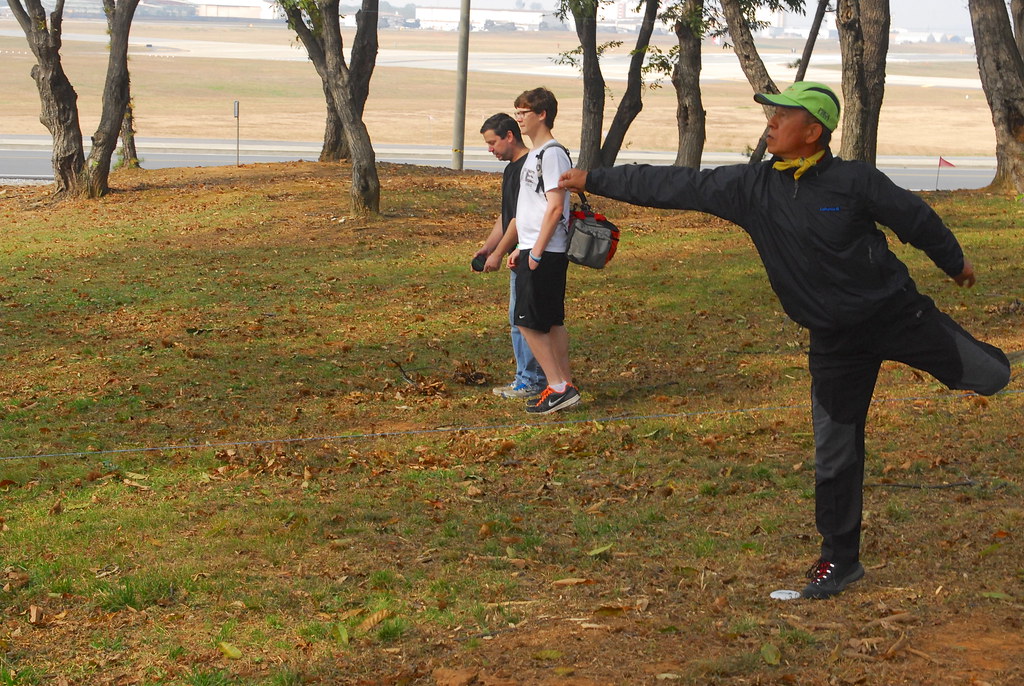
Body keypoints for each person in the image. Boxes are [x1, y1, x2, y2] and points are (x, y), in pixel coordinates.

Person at [559, 81, 1011, 598]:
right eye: (770, 116)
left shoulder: (854, 180)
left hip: (898, 316)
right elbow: (677, 185)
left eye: (782, 117)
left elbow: (916, 219)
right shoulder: (753, 189)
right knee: (835, 454)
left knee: (990, 377)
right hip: (835, 343)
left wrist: (955, 264)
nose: (770, 124)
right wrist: (596, 179)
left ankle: (1002, 365)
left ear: (812, 131)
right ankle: (839, 562)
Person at [509, 87, 579, 414]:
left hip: (546, 250)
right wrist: (521, 247)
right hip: (534, 246)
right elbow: (531, 207)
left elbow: (555, 207)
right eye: (517, 112)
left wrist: (535, 253)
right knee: (550, 321)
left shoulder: (551, 153)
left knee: (526, 320)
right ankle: (565, 384)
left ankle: (557, 386)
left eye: (524, 112)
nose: (519, 117)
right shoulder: (535, 155)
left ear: (542, 115)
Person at [475, 113, 547, 399]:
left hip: (529, 252)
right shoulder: (510, 170)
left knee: (524, 320)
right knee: (521, 318)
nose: (490, 149)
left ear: (509, 136)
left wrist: (500, 253)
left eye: (493, 142)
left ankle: (531, 380)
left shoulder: (528, 167)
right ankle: (533, 377)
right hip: (519, 250)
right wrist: (488, 247)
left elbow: (521, 219)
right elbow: (505, 217)